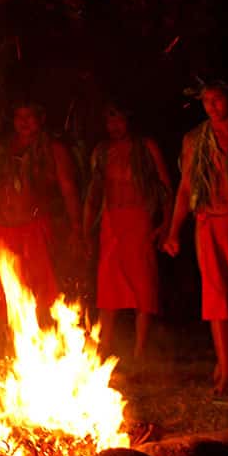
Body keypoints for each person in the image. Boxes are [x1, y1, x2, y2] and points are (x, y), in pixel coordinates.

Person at [163, 79, 228, 395]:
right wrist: (173, 231)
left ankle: (225, 360)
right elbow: (186, 187)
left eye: (217, 99)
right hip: (209, 222)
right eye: (206, 101)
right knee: (217, 296)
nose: (211, 106)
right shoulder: (195, 139)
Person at [0, 101, 81, 340]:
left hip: (34, 228)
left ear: (41, 118)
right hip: (2, 229)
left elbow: (68, 189)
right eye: (18, 116)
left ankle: (45, 344)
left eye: (30, 116)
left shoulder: (52, 149)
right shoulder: (0, 148)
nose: (23, 122)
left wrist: (76, 226)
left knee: (41, 287)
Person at [83, 102, 171, 360]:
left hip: (139, 219)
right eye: (110, 121)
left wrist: (165, 224)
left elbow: (165, 187)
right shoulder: (102, 151)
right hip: (111, 223)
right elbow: (92, 195)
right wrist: (86, 232)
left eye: (119, 120)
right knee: (108, 288)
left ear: (129, 120)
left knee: (143, 286)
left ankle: (140, 350)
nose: (114, 126)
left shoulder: (146, 147)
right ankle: (104, 346)